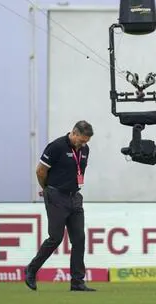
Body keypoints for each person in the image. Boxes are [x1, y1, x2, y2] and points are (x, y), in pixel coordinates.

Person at [25, 120, 96, 292]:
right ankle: (31, 270)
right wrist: (47, 189)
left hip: (75, 197)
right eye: (81, 140)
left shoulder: (85, 150)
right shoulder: (56, 146)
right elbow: (40, 171)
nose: (83, 143)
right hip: (57, 196)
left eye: (86, 141)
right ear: (74, 132)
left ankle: (77, 282)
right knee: (55, 238)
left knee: (79, 239)